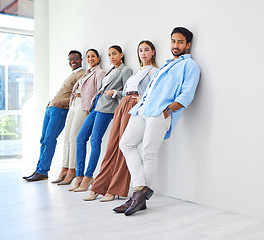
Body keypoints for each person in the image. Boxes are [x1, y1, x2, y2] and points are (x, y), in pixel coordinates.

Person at [116, 27, 200, 215]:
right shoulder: (166, 64)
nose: (175, 45)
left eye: (180, 42)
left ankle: (137, 198)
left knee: (148, 153)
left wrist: (167, 111)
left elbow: (187, 95)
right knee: (126, 144)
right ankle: (140, 192)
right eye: (173, 41)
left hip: (160, 113)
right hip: (142, 110)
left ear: (188, 44)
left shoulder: (190, 66)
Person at [83, 40, 158, 202]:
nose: (143, 53)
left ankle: (115, 189)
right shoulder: (138, 71)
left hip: (135, 106)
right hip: (123, 104)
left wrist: (141, 100)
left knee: (124, 148)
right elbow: (124, 91)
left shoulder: (154, 71)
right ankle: (100, 186)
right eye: (140, 50)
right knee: (111, 146)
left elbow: (154, 92)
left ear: (153, 52)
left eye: (146, 50)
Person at [69, 45, 133, 192]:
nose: (112, 57)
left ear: (121, 55)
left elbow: (128, 92)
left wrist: (115, 92)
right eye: (110, 55)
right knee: (80, 138)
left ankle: (88, 177)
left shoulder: (126, 70)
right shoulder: (110, 71)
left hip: (107, 108)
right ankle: (80, 175)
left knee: (94, 140)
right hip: (96, 106)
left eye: (114, 54)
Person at [23, 50, 85, 181]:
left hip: (60, 110)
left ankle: (43, 171)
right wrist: (51, 103)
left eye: (75, 59)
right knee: (43, 139)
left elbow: (79, 95)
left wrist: (61, 103)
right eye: (70, 59)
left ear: (81, 59)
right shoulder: (72, 74)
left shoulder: (82, 74)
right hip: (51, 108)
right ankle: (39, 170)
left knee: (50, 139)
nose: (72, 61)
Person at [51, 49, 105, 185]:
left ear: (98, 58)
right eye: (88, 56)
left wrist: (90, 107)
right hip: (74, 103)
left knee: (75, 137)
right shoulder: (87, 73)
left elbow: (99, 92)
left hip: (83, 104)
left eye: (93, 56)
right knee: (67, 137)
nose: (90, 59)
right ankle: (65, 168)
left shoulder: (99, 72)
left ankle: (72, 170)